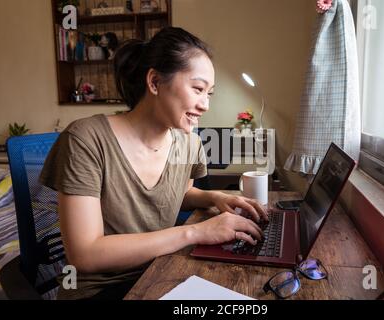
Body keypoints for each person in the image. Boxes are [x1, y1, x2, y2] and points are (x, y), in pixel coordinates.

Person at [40, 27, 268, 300]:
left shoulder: (189, 142)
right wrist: (194, 232)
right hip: (102, 290)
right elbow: (85, 254)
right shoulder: (85, 139)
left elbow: (177, 193)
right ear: (155, 82)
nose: (205, 104)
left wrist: (215, 196)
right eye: (198, 89)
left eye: (210, 93)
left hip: (161, 270)